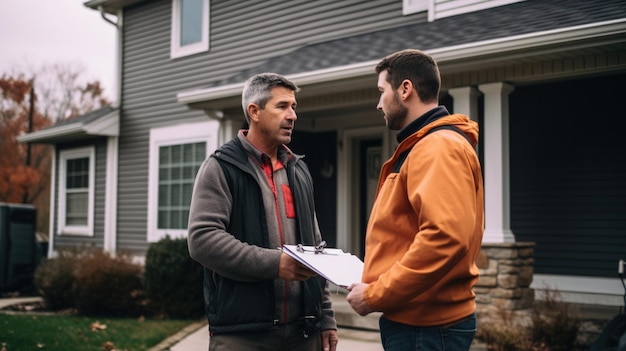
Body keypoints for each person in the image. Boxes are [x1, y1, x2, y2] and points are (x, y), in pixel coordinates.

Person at [188, 72, 339, 351]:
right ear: (254, 112)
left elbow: (316, 248)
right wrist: (276, 264)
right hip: (243, 335)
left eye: (294, 107)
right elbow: (202, 240)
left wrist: (326, 316)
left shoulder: (298, 169)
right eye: (282, 106)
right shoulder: (221, 167)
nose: (293, 115)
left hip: (303, 332)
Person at [346, 49, 485, 350]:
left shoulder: (437, 148)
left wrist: (373, 296)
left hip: (427, 328)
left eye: (382, 91)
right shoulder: (424, 146)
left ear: (405, 89)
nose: (378, 102)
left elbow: (443, 238)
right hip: (420, 323)